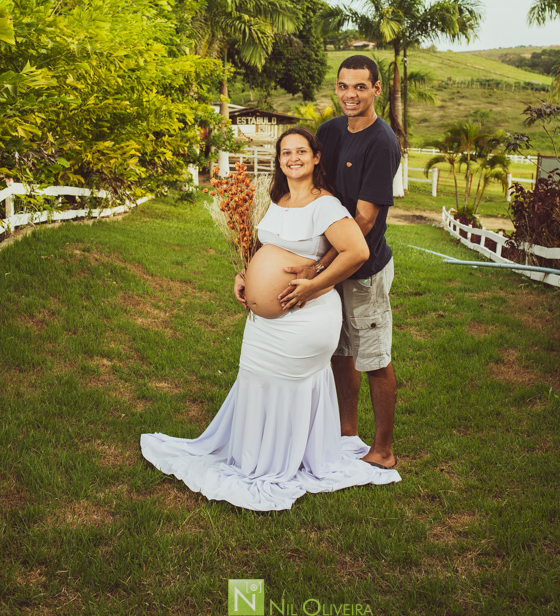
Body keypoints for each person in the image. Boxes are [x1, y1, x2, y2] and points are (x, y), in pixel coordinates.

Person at [141, 127, 400, 511]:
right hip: (265, 324)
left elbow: (357, 252)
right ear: (279, 161)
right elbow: (267, 246)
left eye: (301, 151)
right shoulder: (278, 200)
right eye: (285, 153)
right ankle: (257, 454)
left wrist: (313, 284)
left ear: (316, 157)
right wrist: (245, 274)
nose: (293, 158)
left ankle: (284, 459)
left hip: (306, 318)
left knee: (283, 383)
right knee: (256, 378)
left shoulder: (325, 204)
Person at [278, 56, 401, 470]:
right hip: (332, 264)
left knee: (373, 357)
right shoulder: (329, 132)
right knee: (339, 351)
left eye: (360, 87)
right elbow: (309, 183)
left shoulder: (382, 143)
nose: (351, 95)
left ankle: (383, 449)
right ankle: (348, 432)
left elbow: (363, 220)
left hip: (363, 270)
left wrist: (321, 266)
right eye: (344, 86)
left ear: (376, 90)